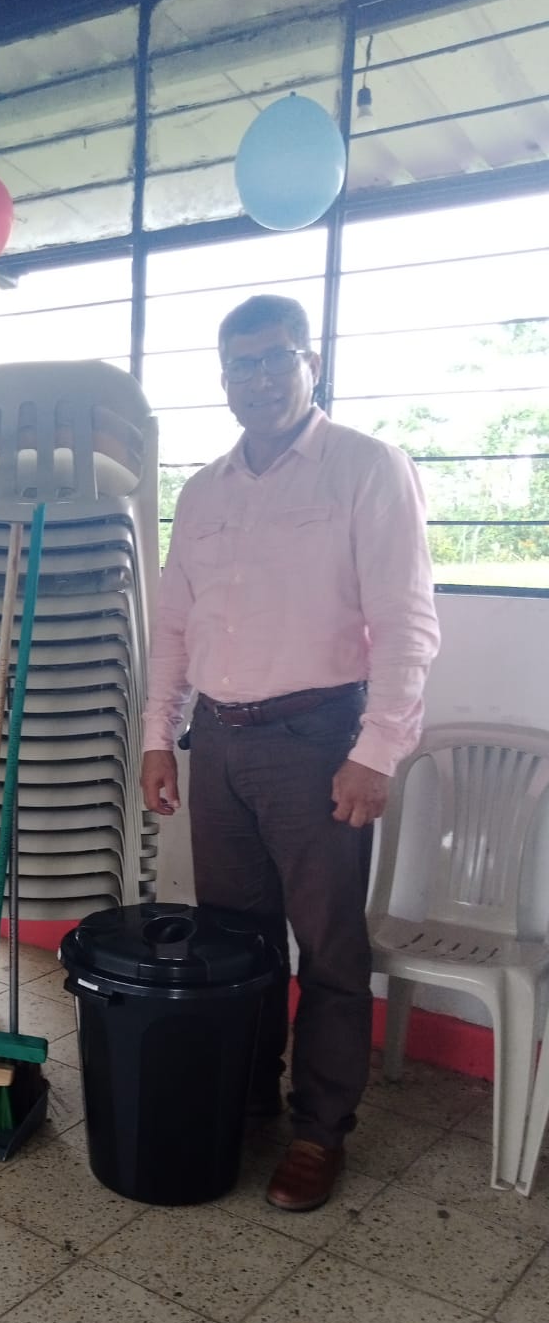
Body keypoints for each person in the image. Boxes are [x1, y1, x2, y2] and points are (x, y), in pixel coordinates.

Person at [141, 294, 440, 1213]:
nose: (259, 378)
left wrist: (377, 750)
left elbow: (406, 623)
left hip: (319, 744)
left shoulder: (366, 467)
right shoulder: (203, 492)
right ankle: (248, 1098)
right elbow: (174, 626)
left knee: (330, 943)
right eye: (241, 364)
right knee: (238, 940)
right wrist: (159, 737)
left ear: (311, 362)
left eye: (276, 358)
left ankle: (319, 1129)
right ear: (223, 379)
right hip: (220, 744)